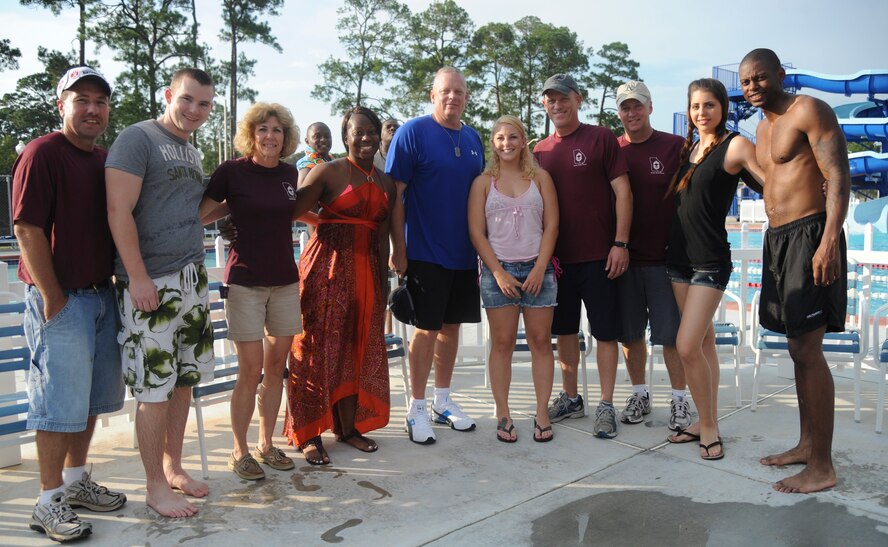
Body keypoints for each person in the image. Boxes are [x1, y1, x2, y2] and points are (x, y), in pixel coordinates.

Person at [13, 66, 126, 542]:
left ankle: (77, 482)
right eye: (82, 100)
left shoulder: (104, 159)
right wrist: (53, 298)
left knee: (87, 404)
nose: (92, 109)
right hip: (63, 302)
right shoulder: (42, 153)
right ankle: (46, 500)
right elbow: (26, 229)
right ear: (62, 104)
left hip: (102, 296)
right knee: (58, 405)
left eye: (100, 102)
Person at [105, 68, 215, 518]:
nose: (194, 110)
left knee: (184, 382)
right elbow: (118, 210)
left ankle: (173, 467)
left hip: (191, 279)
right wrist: (137, 276)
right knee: (154, 389)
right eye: (187, 99)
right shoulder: (138, 138)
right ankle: (153, 486)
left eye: (204, 104)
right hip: (152, 282)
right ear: (169, 94)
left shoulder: (190, 150)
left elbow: (189, 213)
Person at [740, 48, 850, 493]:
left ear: (781, 75)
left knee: (809, 351)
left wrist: (827, 242)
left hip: (810, 234)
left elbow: (838, 174)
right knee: (795, 349)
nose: (752, 86)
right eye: (747, 80)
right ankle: (807, 444)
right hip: (778, 240)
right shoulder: (763, 128)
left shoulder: (808, 109)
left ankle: (822, 466)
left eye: (761, 77)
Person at [282, 106, 395, 465]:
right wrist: (325, 220)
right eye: (358, 132)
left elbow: (382, 237)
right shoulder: (327, 171)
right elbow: (290, 210)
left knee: (355, 348)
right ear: (345, 136)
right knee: (315, 348)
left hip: (366, 272)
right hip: (326, 270)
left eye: (371, 131)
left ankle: (347, 428)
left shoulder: (384, 179)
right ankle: (308, 432)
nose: (366, 137)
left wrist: (384, 280)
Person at [199, 102, 301, 480]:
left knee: (276, 368)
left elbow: (293, 211)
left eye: (276, 130)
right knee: (251, 369)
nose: (270, 136)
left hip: (286, 281)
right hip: (245, 282)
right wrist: (229, 216)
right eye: (263, 130)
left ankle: (266, 443)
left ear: (285, 136)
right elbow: (201, 213)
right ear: (251, 135)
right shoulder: (231, 171)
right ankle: (239, 449)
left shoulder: (291, 173)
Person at [664, 78, 764, 461]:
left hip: (709, 262)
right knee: (703, 344)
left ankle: (707, 426)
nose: (701, 112)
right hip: (677, 261)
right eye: (695, 106)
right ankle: (706, 419)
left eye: (709, 105)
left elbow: (769, 181)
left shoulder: (734, 145)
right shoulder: (690, 148)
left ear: (722, 107)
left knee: (687, 345)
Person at [387, 66, 485, 445]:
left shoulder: (474, 138)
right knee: (425, 331)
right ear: (433, 95)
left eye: (459, 91)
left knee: (452, 329)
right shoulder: (413, 133)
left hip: (464, 253)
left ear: (466, 96)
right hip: (424, 251)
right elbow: (395, 194)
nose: (452, 97)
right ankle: (416, 407)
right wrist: (399, 247)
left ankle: (443, 402)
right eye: (445, 91)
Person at [533, 73, 632, 439]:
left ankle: (605, 404)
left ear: (578, 99)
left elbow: (623, 192)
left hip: (600, 257)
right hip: (558, 262)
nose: (556, 105)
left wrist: (620, 243)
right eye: (550, 99)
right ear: (544, 104)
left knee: (605, 333)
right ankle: (572, 398)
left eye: (563, 98)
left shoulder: (600, 137)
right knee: (564, 333)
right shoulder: (539, 151)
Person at [468, 115, 559, 443]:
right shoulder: (483, 183)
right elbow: (477, 233)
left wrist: (539, 268)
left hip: (538, 271)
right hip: (499, 273)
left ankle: (542, 411)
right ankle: (504, 413)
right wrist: (498, 272)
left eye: (513, 137)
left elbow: (552, 226)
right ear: (493, 144)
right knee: (503, 344)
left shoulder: (541, 178)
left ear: (524, 141)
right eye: (500, 138)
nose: (507, 144)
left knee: (539, 343)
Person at [614, 81, 689, 431]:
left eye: (637, 106)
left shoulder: (675, 147)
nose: (632, 113)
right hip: (625, 261)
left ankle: (678, 400)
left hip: (665, 260)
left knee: (670, 337)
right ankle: (640, 393)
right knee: (630, 335)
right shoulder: (613, 151)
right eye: (625, 108)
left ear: (650, 107)